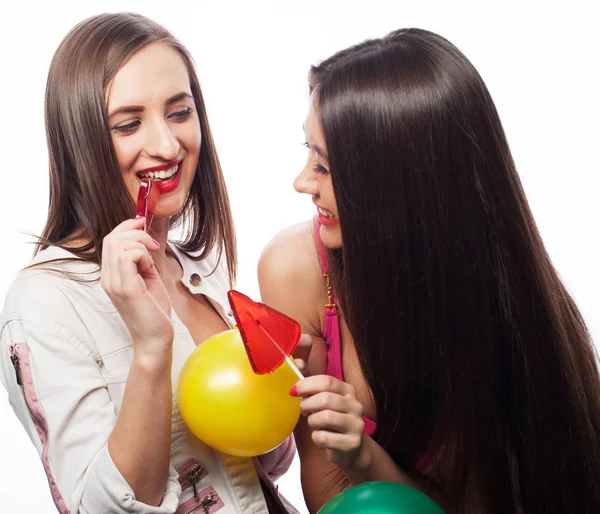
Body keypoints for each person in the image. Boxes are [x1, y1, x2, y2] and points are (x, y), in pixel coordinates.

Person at [259, 28, 600, 514]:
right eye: (307, 151)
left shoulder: (497, 305)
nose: (301, 182)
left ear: (397, 185)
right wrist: (349, 455)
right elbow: (330, 499)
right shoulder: (294, 269)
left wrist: (363, 456)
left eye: (326, 168)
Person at [0, 13, 297, 514]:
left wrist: (287, 384)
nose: (166, 145)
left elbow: (262, 463)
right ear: (81, 141)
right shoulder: (44, 304)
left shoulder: (202, 270)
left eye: (180, 113)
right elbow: (101, 508)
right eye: (129, 124)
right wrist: (151, 350)